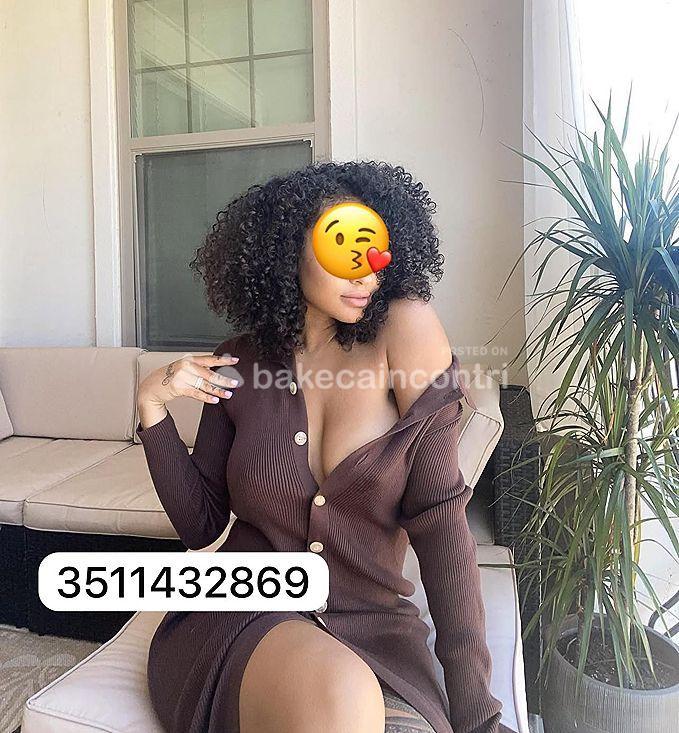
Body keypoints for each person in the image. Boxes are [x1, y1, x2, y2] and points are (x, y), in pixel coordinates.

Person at [135, 160, 514, 733]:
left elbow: (442, 527)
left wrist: (478, 715)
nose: (366, 271)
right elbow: (201, 524)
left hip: (373, 630)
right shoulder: (241, 362)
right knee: (341, 695)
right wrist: (152, 407)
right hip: (240, 615)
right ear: (287, 252)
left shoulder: (405, 331)